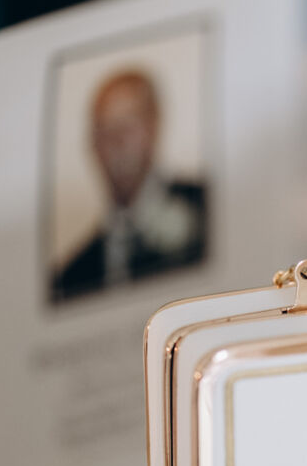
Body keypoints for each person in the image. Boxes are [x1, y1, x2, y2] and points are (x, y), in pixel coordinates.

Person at [52, 69, 206, 301]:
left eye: (128, 127)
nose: (118, 144)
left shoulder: (209, 208)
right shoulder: (72, 277)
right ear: (93, 145)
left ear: (154, 126)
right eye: (105, 131)